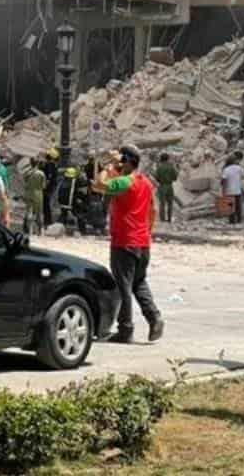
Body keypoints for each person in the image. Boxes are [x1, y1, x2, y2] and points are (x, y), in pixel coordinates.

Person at [93, 143, 163, 344]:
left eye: (121, 159)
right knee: (138, 283)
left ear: (126, 161)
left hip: (124, 241)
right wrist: (147, 233)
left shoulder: (126, 182)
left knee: (123, 286)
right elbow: (153, 210)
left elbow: (99, 185)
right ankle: (154, 317)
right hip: (142, 242)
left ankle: (125, 329)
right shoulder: (146, 183)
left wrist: (107, 167)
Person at [221, 151, 244, 225]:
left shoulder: (226, 169)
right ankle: (239, 220)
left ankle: (231, 221)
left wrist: (223, 190)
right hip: (237, 190)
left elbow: (223, 181)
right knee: (238, 206)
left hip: (229, 191)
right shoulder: (239, 168)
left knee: (230, 207)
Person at [24, 158, 47, 235]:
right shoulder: (41, 173)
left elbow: (25, 184)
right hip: (38, 194)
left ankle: (28, 229)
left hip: (29, 193)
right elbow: (44, 186)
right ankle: (39, 230)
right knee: (39, 212)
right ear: (37, 164)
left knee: (28, 210)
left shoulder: (27, 173)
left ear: (30, 163)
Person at [154, 152, 178, 224]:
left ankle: (162, 219)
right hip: (169, 186)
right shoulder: (171, 166)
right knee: (170, 203)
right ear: (168, 158)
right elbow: (175, 177)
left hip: (162, 186)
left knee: (162, 203)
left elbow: (156, 177)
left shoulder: (159, 167)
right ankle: (169, 219)